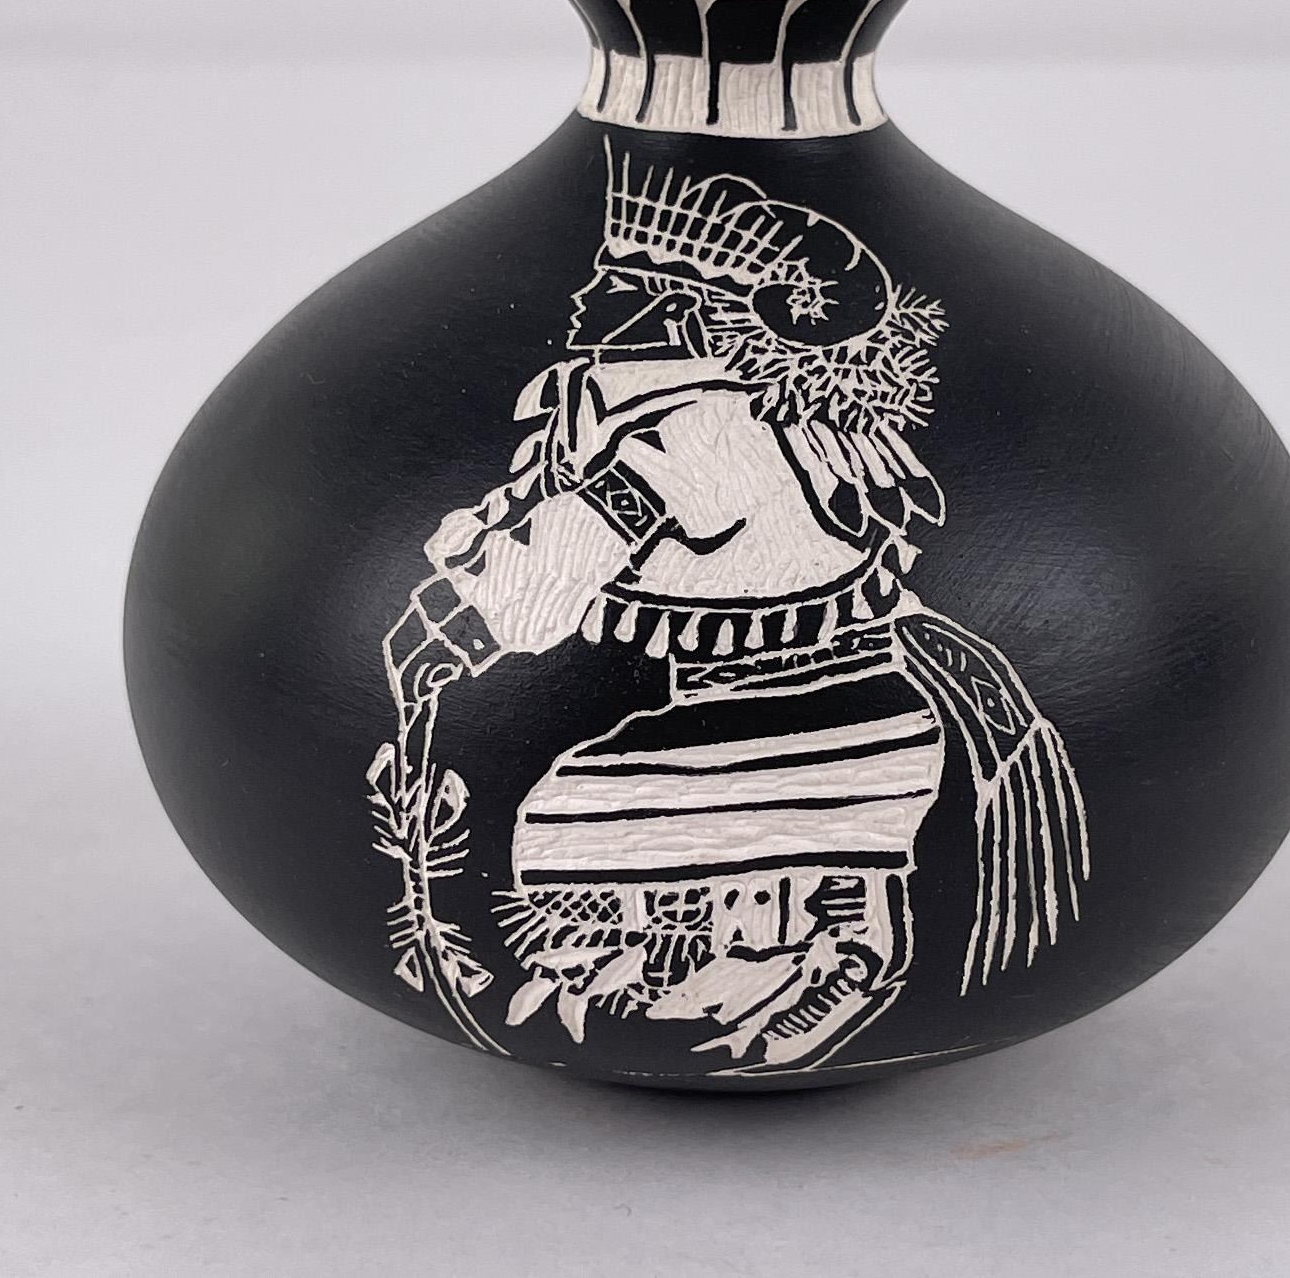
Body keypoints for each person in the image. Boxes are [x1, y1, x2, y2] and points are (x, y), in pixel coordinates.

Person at [372, 141, 1088, 1076]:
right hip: (752, 696)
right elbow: (537, 512)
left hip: (810, 703)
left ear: (681, 310)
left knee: (576, 809)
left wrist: (463, 627)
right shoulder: (624, 409)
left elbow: (570, 549)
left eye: (623, 286)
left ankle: (834, 955)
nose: (589, 297)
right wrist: (461, 575)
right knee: (582, 811)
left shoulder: (699, 425)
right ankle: (712, 965)